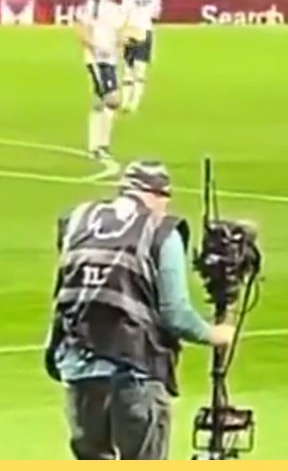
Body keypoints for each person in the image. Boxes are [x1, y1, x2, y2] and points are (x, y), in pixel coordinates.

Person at [44, 161, 236, 459]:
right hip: (135, 370)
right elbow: (176, 314)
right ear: (158, 195)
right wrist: (216, 334)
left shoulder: (77, 220)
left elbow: (66, 290)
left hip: (79, 369)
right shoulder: (161, 230)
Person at [76, 0, 128, 160]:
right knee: (108, 99)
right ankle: (98, 145)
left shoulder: (118, 9)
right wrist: (93, 47)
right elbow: (81, 28)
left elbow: (120, 33)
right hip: (96, 59)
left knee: (107, 102)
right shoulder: (93, 5)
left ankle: (99, 145)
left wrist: (122, 44)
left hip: (111, 59)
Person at [119, 0, 162, 113]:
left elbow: (123, 13)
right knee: (140, 69)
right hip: (145, 30)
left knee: (127, 68)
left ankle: (124, 101)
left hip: (131, 30)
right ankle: (134, 103)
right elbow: (156, 15)